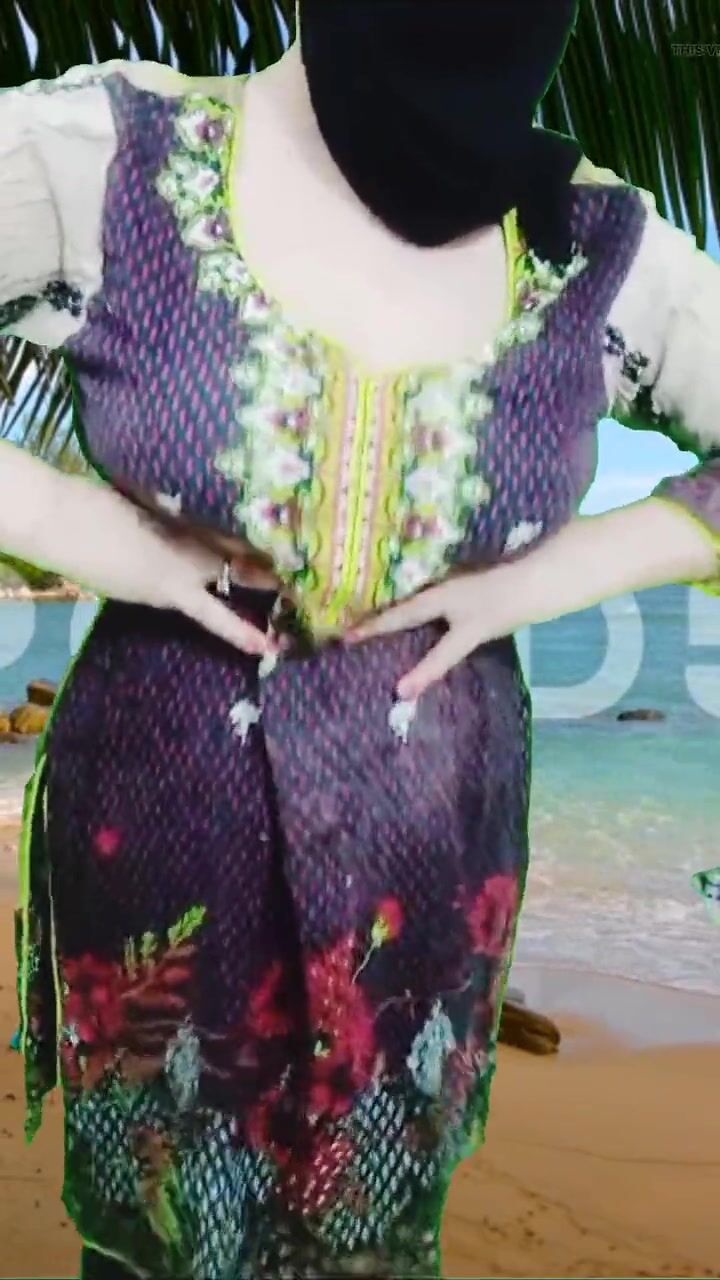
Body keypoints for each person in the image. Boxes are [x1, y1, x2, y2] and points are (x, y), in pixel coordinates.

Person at [1, 2, 719, 1276]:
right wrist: (71, 524)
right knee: (152, 1237)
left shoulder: (598, 242)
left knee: (373, 1238)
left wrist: (558, 573)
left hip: (428, 875)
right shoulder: (113, 156)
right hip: (155, 847)